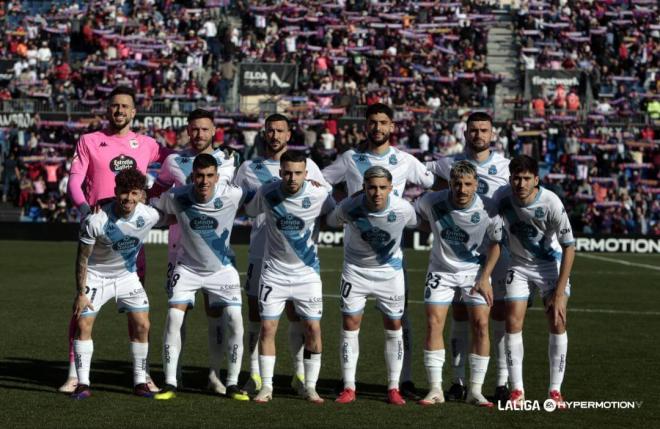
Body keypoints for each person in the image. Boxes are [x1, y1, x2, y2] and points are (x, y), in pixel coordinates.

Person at [322, 103, 434, 399]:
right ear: (365, 126)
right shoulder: (350, 158)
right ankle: (348, 383)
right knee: (350, 322)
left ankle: (402, 381)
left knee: (400, 320)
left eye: (383, 122)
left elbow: (435, 183)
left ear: (392, 126)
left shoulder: (405, 160)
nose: (377, 127)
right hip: (355, 257)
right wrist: (338, 206)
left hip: (390, 257)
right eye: (373, 122)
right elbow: (320, 180)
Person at [62, 86, 169, 393]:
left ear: (134, 112)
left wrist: (152, 198)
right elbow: (75, 180)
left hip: (131, 244)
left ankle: (141, 374)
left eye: (125, 106)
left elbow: (175, 166)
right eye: (114, 106)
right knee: (81, 308)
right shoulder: (90, 141)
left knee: (138, 311)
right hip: (98, 235)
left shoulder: (148, 144)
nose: (119, 110)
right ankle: (74, 373)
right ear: (107, 110)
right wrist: (84, 209)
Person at [233, 114, 331, 396]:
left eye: (280, 131)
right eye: (270, 130)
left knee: (297, 316)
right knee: (258, 316)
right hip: (260, 251)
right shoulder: (249, 168)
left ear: (289, 134)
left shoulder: (308, 165)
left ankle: (300, 374)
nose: (274, 135)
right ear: (264, 133)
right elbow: (241, 205)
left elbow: (323, 201)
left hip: (298, 255)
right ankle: (255, 375)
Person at [150, 108, 239, 395]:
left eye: (205, 129)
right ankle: (174, 374)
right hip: (180, 249)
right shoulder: (174, 160)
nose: (199, 134)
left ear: (214, 131)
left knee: (215, 313)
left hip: (215, 248)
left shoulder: (229, 159)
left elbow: (238, 193)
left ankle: (214, 375)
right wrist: (168, 211)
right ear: (188, 131)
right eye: (194, 129)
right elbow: (159, 191)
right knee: (179, 313)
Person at [425, 111, 512, 404]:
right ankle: (457, 381)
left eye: (483, 130)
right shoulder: (446, 163)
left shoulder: (505, 166)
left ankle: (500, 382)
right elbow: (414, 175)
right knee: (460, 315)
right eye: (473, 130)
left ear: (492, 134)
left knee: (496, 316)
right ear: (465, 133)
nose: (478, 135)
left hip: (494, 252)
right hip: (457, 256)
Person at [326, 166, 417, 405]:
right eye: (372, 187)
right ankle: (348, 387)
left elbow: (415, 222)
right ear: (364, 188)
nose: (377, 193)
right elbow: (331, 220)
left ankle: (393, 387)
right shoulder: (350, 207)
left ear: (391, 188)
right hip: (355, 272)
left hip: (390, 274)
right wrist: (349, 199)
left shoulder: (403, 209)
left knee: (394, 324)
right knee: (350, 324)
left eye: (382, 188)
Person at [69, 168, 163, 400]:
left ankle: (140, 381)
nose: (128, 199)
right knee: (83, 324)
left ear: (141, 194)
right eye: (123, 192)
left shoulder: (149, 215)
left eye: (134, 193)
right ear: (115, 191)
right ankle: (82, 383)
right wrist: (81, 293)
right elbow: (82, 258)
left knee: (143, 325)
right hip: (96, 276)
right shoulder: (96, 220)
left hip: (127, 277)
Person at [414, 161, 502, 407]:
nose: (462, 189)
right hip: (440, 270)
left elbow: (496, 243)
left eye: (467, 184)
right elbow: (415, 216)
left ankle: (475, 390)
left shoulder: (489, 207)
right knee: (433, 323)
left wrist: (485, 278)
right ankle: (435, 389)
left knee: (481, 324)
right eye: (457, 184)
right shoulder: (432, 201)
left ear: (476, 185)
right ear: (450, 183)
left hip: (474, 273)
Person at [495, 155, 575, 408]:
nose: (521, 183)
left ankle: (554, 390)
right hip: (518, 265)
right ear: (510, 179)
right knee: (513, 322)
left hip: (549, 267)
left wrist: (559, 293)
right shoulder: (503, 198)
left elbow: (569, 247)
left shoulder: (551, 202)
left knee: (557, 320)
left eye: (527, 178)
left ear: (536, 180)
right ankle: (517, 390)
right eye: (516, 178)